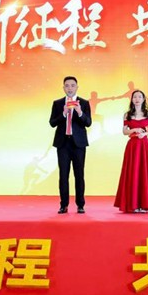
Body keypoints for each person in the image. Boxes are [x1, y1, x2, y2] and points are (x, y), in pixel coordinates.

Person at [114, 89, 148, 213]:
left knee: (145, 172)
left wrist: (144, 134)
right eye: (135, 97)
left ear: (143, 99)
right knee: (133, 172)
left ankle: (144, 204)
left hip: (144, 145)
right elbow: (124, 131)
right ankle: (133, 204)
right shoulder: (127, 115)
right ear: (132, 99)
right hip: (132, 146)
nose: (137, 99)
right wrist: (134, 130)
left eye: (139, 97)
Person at [49, 76, 92, 214]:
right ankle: (64, 205)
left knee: (79, 175)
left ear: (77, 87)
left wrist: (79, 112)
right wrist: (63, 114)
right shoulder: (57, 103)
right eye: (67, 85)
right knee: (63, 175)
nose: (70, 88)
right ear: (63, 88)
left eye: (73, 85)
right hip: (63, 144)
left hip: (79, 144)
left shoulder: (84, 103)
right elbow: (52, 123)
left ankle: (80, 204)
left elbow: (88, 122)